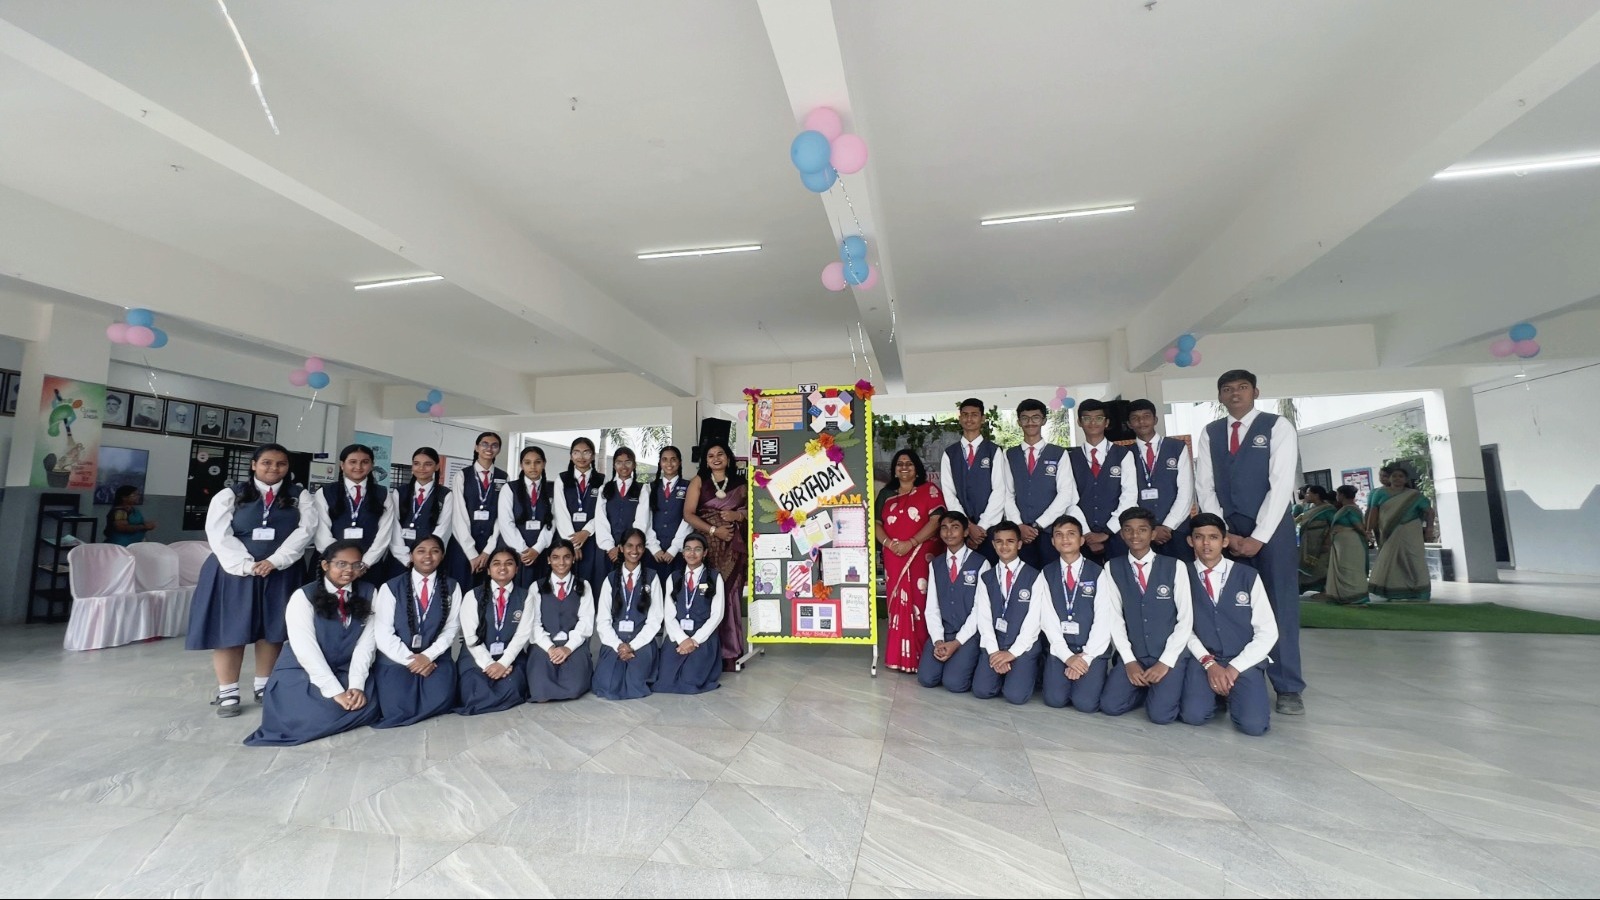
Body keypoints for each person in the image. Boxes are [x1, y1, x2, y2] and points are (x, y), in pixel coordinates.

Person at [1194, 369, 1305, 716]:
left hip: (1271, 533)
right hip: (1228, 532)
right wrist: (1222, 533)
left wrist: (1259, 536)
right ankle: (1231, 682)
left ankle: (1288, 686)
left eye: (1242, 387)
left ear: (1255, 392)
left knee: (1279, 606)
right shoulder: (1211, 433)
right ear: (1220, 396)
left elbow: (1281, 484)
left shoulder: (1277, 427)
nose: (1235, 394)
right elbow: (1205, 486)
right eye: (1227, 389)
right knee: (1226, 607)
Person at [187, 443, 315, 716]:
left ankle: (264, 687)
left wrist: (275, 561)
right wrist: (246, 565)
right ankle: (228, 692)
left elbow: (306, 531)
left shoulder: (299, 496)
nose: (274, 468)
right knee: (229, 630)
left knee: (272, 629)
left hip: (280, 571)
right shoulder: (230, 495)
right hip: (233, 572)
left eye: (281, 463)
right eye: (267, 462)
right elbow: (218, 533)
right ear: (254, 465)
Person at [244, 541, 379, 746]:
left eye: (356, 565)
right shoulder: (303, 596)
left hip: (345, 668)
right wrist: (335, 692)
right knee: (307, 717)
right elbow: (305, 650)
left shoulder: (369, 592)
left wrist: (356, 686)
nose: (349, 570)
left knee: (368, 702)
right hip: (302, 670)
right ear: (325, 565)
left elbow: (366, 644)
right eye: (341, 564)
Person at [1179, 513, 1279, 736]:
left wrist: (1234, 668)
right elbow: (1183, 628)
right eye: (1199, 537)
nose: (1206, 543)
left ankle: (1234, 692)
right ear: (1190, 541)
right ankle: (1217, 695)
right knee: (1193, 716)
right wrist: (1209, 664)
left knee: (1254, 726)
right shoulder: (1181, 575)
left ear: (1225, 541)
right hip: (1204, 659)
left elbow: (1267, 631)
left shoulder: (1248, 576)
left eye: (1213, 537)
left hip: (1243, 659)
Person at [1098, 507, 1195, 724]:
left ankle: (1167, 687)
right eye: (1128, 530)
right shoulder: (1112, 567)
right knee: (1110, 706)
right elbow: (1115, 618)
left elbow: (1185, 619)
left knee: (1161, 716)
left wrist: (1165, 662)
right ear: (1121, 534)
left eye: (1142, 530)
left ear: (1153, 534)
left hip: (1168, 653)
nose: (1135, 535)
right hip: (1136, 653)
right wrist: (1129, 660)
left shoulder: (1175, 566)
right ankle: (1145, 690)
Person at [369, 535, 461, 728]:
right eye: (421, 551)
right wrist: (411, 661)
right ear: (411, 556)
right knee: (397, 708)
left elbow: (451, 628)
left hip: (435, 658)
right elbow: (383, 632)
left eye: (435, 551)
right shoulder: (390, 587)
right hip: (396, 658)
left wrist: (428, 656)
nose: (428, 556)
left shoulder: (453, 586)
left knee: (440, 700)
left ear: (442, 556)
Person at [876, 449, 945, 673]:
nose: (904, 467)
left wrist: (911, 542)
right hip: (894, 556)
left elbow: (936, 521)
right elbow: (875, 524)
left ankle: (923, 658)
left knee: (922, 603)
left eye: (909, 464)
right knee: (897, 605)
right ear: (894, 470)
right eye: (900, 464)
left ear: (917, 469)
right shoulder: (886, 494)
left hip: (920, 556)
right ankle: (898, 657)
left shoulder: (930, 490)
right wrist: (889, 544)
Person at [682, 440, 747, 671]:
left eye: (720, 454)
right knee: (708, 596)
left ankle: (731, 653)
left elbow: (751, 510)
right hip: (707, 549)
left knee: (730, 596)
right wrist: (713, 530)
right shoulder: (699, 481)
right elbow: (688, 514)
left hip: (733, 549)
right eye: (711, 455)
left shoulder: (740, 483)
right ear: (706, 461)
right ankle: (705, 650)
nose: (716, 458)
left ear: (728, 458)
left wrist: (737, 516)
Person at [1037, 515, 1112, 712]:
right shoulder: (1046, 573)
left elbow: (1104, 619)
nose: (1065, 539)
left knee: (1085, 703)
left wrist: (1085, 657)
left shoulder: (1098, 572)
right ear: (1052, 541)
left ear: (1081, 540)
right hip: (1061, 648)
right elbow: (1047, 619)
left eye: (1071, 534)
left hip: (1092, 650)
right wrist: (1068, 657)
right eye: (1059, 535)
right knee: (1054, 700)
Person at [971, 521, 1044, 705]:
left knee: (1015, 696)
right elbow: (984, 619)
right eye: (999, 541)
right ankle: (1005, 674)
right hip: (995, 643)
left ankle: (1028, 671)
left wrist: (1012, 653)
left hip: (1023, 646)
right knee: (982, 690)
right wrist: (995, 653)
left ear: (1019, 544)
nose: (1004, 546)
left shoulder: (1035, 576)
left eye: (1010, 541)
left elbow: (1034, 622)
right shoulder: (986, 578)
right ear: (993, 544)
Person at [455, 548, 534, 715]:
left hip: (510, 659)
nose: (503, 567)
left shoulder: (525, 596)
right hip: (475, 658)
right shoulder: (472, 596)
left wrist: (503, 663)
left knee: (513, 687)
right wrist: (489, 664)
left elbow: (522, 635)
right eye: (496, 563)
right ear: (489, 570)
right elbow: (470, 636)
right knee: (474, 690)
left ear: (516, 569)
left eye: (509, 563)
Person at [1004, 398, 1081, 569]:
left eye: (1036, 417)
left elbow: (1065, 493)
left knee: (1053, 575)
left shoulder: (1059, 453)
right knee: (1024, 577)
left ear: (1044, 420)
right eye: (1025, 418)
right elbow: (1008, 494)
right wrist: (1018, 525)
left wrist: (1039, 524)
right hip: (1021, 532)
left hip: (1051, 531)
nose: (1030, 422)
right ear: (1019, 422)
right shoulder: (1010, 455)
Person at [917, 511, 988, 692]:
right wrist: (938, 640)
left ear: (966, 532)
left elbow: (980, 610)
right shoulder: (936, 564)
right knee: (926, 679)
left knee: (954, 683)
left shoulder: (981, 563)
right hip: (944, 631)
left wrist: (957, 642)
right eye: (944, 528)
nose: (949, 533)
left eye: (955, 527)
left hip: (969, 634)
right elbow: (932, 607)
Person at [593, 529, 663, 700]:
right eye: (629, 546)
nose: (634, 550)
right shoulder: (610, 579)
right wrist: (618, 645)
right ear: (621, 548)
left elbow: (655, 619)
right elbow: (603, 620)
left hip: (641, 641)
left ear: (644, 549)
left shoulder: (652, 578)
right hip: (614, 641)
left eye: (639, 546)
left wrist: (633, 645)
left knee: (635, 683)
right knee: (608, 685)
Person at [313, 443, 395, 588]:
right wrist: (340, 563)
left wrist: (365, 563)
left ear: (372, 465)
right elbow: (321, 533)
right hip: (332, 567)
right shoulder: (325, 492)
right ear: (342, 465)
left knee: (368, 599)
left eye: (365, 462)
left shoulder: (382, 494)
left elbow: (384, 533)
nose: (358, 466)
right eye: (353, 462)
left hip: (369, 567)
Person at [654, 533, 726, 694]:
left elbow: (717, 614)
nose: (692, 553)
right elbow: (669, 614)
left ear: (705, 552)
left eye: (697, 549)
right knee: (665, 680)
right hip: (678, 635)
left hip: (702, 637)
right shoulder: (674, 577)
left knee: (690, 680)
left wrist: (694, 640)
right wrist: (683, 639)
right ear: (682, 552)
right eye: (688, 549)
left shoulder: (714, 577)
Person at [1068, 399, 1135, 564]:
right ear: (1079, 422)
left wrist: (1107, 531)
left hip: (1117, 533)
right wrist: (1087, 533)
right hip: (1082, 536)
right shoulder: (1070, 458)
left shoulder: (1123, 454)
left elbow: (1129, 496)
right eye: (1087, 418)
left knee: (1120, 575)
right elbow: (1069, 498)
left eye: (1098, 418)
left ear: (1107, 422)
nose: (1093, 423)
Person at [939, 398, 1007, 563]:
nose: (969, 419)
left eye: (974, 415)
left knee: (990, 572)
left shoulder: (994, 451)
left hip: (989, 529)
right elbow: (949, 493)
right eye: (965, 414)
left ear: (982, 418)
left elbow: (999, 491)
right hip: (961, 530)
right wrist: (968, 526)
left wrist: (981, 527)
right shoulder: (950, 453)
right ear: (960, 418)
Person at [1127, 399, 1195, 562]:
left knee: (1181, 573)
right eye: (1135, 418)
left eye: (1146, 416)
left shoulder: (1177, 447)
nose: (1141, 421)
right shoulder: (1125, 453)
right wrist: (1149, 529)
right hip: (1141, 534)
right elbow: (1127, 496)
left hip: (1176, 530)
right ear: (1129, 424)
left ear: (1155, 419)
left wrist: (1167, 526)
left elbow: (1186, 492)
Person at [526, 539, 594, 702]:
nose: (561, 562)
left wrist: (568, 648)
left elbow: (586, 622)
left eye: (566, 557)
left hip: (574, 645)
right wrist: (550, 648)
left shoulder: (583, 585)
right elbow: (534, 623)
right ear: (548, 560)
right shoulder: (536, 587)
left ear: (573, 558)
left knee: (575, 687)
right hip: (544, 645)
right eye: (555, 557)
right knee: (540, 689)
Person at [448, 431, 508, 591]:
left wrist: (488, 550)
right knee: (461, 590)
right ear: (476, 447)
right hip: (463, 547)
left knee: (488, 592)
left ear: (499, 450)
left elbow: (502, 516)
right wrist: (472, 554)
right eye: (484, 444)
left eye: (494, 445)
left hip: (491, 547)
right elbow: (459, 516)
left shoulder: (503, 477)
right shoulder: (461, 476)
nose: (489, 448)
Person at [1367, 465, 1436, 602]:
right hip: (1389, 532)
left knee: (1414, 559)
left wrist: (1429, 529)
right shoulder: (1380, 493)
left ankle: (1421, 591)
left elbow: (1429, 512)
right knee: (1391, 560)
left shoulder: (1414, 495)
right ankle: (1394, 591)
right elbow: (1373, 512)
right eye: (1394, 476)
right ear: (1389, 478)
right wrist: (1368, 530)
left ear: (1405, 479)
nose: (1397, 479)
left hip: (1410, 531)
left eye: (1401, 476)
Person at [553, 436, 612, 596]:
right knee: (567, 579)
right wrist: (574, 545)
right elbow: (560, 511)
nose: (581, 457)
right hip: (567, 538)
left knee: (593, 579)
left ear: (593, 456)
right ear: (571, 456)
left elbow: (602, 511)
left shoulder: (602, 479)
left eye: (586, 452)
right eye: (576, 452)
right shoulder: (562, 479)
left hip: (593, 538)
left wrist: (586, 531)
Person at [389, 447, 454, 579]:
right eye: (416, 463)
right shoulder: (399, 492)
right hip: (399, 559)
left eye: (428, 464)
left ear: (437, 467)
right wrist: (405, 558)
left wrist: (425, 555)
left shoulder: (446, 495)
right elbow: (393, 526)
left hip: (428, 561)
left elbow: (443, 529)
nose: (421, 468)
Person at [498, 445, 555, 589]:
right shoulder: (509, 488)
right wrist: (524, 550)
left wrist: (537, 549)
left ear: (544, 463)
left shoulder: (552, 489)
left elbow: (553, 522)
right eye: (528, 462)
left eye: (538, 462)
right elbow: (506, 523)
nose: (533, 467)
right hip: (515, 552)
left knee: (540, 591)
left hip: (541, 552)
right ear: (521, 465)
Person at [644, 446, 692, 583]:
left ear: (680, 462)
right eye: (664, 459)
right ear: (660, 463)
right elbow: (645, 520)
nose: (669, 463)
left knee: (676, 588)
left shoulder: (689, 486)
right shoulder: (649, 487)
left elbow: (688, 518)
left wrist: (674, 548)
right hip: (654, 552)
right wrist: (654, 548)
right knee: (652, 588)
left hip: (679, 551)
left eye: (673, 459)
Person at [599, 447, 649, 572]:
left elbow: (642, 521)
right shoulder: (604, 489)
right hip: (608, 552)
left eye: (628, 462)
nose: (623, 466)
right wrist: (610, 547)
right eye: (619, 462)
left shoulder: (642, 489)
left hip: (632, 550)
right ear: (614, 465)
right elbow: (600, 520)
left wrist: (626, 546)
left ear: (634, 465)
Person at [1320, 485, 1370, 604]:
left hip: (1349, 542)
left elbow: (1357, 524)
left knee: (1349, 568)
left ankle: (1355, 597)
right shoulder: (1347, 508)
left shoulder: (1350, 509)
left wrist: (1366, 535)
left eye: (1337, 494)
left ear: (1342, 495)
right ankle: (1344, 595)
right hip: (1343, 542)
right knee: (1344, 568)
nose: (1336, 496)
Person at [1295, 485, 1336, 593]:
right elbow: (1298, 521)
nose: (1306, 495)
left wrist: (1328, 542)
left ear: (1316, 495)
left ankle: (1325, 591)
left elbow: (1333, 527)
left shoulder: (1328, 509)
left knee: (1321, 567)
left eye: (1308, 493)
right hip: (1308, 544)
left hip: (1321, 544)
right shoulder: (1309, 508)